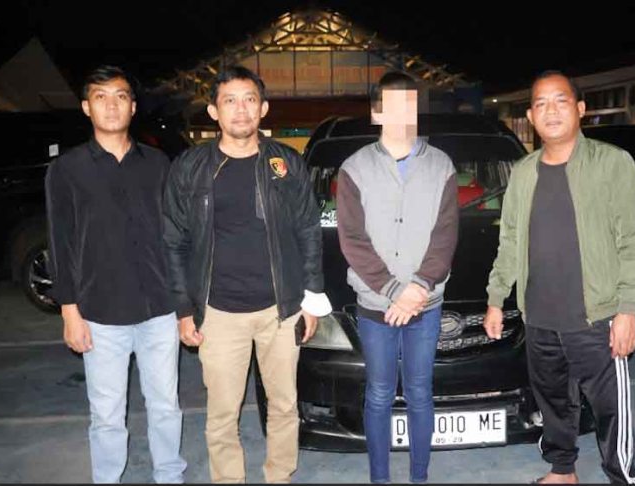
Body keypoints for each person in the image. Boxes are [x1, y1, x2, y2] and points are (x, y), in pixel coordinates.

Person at [483, 70, 635, 484]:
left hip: (596, 316)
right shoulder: (523, 172)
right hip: (540, 315)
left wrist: (627, 309)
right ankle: (563, 471)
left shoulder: (612, 163)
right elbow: (510, 240)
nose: (551, 111)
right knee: (554, 402)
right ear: (530, 116)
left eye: (560, 100)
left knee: (611, 407)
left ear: (580, 109)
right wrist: (496, 298)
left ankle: (623, 476)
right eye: (541, 103)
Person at [162, 65, 331, 483]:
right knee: (222, 414)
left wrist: (312, 299)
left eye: (249, 100)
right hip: (218, 313)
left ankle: (279, 475)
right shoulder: (190, 167)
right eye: (230, 101)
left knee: (285, 405)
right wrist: (183, 308)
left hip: (281, 310)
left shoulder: (286, 163)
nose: (241, 110)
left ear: (263, 108)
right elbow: (173, 241)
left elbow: (309, 230)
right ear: (214, 111)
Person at [46, 65, 186, 483]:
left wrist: (184, 305)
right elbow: (60, 243)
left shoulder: (157, 164)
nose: (111, 105)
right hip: (100, 313)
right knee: (107, 415)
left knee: (165, 406)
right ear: (86, 107)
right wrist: (69, 311)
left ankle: (170, 475)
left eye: (121, 96)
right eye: (101, 97)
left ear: (133, 107)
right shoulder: (67, 169)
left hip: (159, 309)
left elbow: (176, 236)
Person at [336, 71, 459, 483]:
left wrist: (418, 287)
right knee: (379, 394)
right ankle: (380, 479)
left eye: (410, 104)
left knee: (421, 393)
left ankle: (419, 477)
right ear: (377, 113)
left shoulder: (441, 165)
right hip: (376, 306)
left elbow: (445, 235)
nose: (403, 113)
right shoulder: (354, 169)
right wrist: (393, 290)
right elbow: (352, 239)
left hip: (426, 304)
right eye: (393, 105)